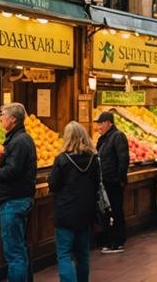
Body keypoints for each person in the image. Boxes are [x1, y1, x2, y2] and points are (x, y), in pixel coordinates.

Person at [0, 102, 37, 282]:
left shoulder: (19, 141)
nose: (0, 118)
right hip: (20, 199)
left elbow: (13, 171)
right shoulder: (20, 138)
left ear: (13, 119)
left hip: (14, 201)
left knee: (14, 253)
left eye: (3, 115)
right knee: (20, 249)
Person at [48, 121, 102, 282]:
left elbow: (53, 184)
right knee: (83, 254)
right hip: (86, 212)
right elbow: (97, 184)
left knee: (64, 254)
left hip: (65, 212)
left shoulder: (62, 159)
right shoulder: (93, 159)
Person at [95, 110, 129, 253]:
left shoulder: (118, 136)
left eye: (101, 123)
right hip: (105, 182)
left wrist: (119, 179)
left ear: (109, 123)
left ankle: (117, 241)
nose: (99, 127)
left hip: (113, 182)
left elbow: (123, 159)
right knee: (108, 212)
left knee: (116, 211)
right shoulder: (104, 138)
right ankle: (110, 239)